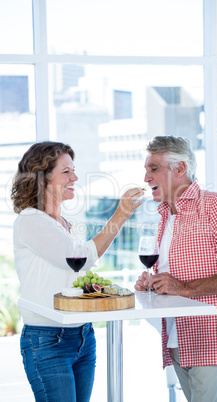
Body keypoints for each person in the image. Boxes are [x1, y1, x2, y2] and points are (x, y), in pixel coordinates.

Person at [11, 141, 143, 402]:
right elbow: (78, 258)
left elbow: (71, 276)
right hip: (48, 340)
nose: (75, 177)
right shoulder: (30, 220)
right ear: (43, 177)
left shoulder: (62, 224)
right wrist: (121, 215)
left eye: (74, 170)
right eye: (66, 172)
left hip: (82, 335)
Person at [135, 136, 217, 402]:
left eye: (153, 168)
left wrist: (183, 288)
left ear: (179, 169)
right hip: (178, 336)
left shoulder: (215, 205)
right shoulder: (165, 214)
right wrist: (154, 283)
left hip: (213, 338)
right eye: (146, 169)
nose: (146, 177)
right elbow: (175, 276)